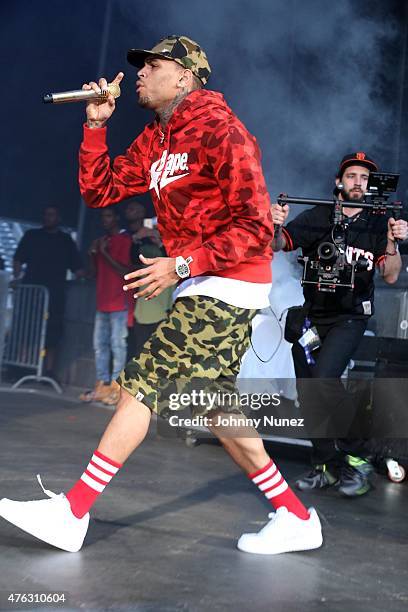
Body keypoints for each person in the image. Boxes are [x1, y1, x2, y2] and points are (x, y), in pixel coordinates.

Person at [0, 35, 322, 555]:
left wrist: (182, 264)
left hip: (231, 280)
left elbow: (257, 227)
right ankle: (294, 515)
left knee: (143, 380)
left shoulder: (223, 131)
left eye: (153, 66)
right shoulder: (157, 138)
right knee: (217, 410)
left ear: (186, 76)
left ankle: (73, 511)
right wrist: (96, 126)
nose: (141, 75)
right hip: (200, 279)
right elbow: (99, 190)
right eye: (142, 67)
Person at [271, 152, 408, 496]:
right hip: (312, 316)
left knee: (324, 380)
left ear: (371, 185)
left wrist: (394, 240)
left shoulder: (379, 223)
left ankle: (358, 457)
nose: (358, 182)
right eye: (352, 176)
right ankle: (325, 465)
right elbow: (278, 244)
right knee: (308, 392)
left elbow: (390, 276)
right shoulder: (318, 215)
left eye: (365, 177)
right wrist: (274, 222)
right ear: (339, 182)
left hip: (350, 316)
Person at [13, 205, 84, 377]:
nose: (48, 217)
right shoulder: (32, 236)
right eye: (45, 214)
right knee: (27, 329)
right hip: (32, 292)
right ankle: (22, 367)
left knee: (53, 332)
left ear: (58, 218)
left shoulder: (66, 240)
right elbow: (18, 259)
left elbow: (78, 269)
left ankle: (49, 371)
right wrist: (18, 278)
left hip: (55, 294)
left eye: (52, 214)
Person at [79, 207, 133, 405]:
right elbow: (93, 272)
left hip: (119, 301)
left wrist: (104, 252)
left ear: (117, 218)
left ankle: (116, 388)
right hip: (102, 301)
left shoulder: (125, 239)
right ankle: (102, 385)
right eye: (103, 216)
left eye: (109, 215)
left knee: (118, 345)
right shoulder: (102, 241)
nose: (105, 220)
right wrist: (92, 254)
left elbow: (124, 270)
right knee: (99, 346)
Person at [124, 199, 174, 359]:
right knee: (140, 350)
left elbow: (175, 262)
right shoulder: (144, 239)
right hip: (144, 304)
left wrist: (160, 243)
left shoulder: (174, 242)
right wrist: (136, 239)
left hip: (164, 305)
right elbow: (133, 259)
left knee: (160, 353)